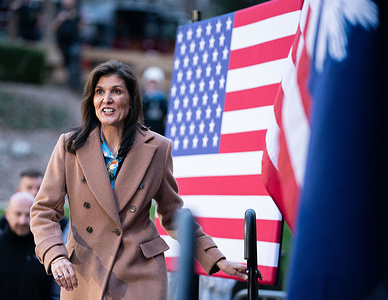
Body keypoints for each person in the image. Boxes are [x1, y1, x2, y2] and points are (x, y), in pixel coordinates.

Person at [30, 60, 252, 299]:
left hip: (140, 273)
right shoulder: (70, 145)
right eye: (99, 92)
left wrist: (217, 259)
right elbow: (43, 211)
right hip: (86, 273)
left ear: (131, 99)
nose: (107, 99)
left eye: (116, 91)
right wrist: (56, 255)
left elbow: (173, 215)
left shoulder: (158, 148)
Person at [0, 192, 59, 300]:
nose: (22, 221)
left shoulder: (47, 249)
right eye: (18, 214)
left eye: (28, 215)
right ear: (7, 214)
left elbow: (57, 294)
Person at [0, 169, 70, 242]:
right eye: (29, 188)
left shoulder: (61, 224)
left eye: (39, 188)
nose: (34, 192)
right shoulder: (1, 225)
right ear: (19, 191)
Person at [52, 0, 82, 90]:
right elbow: (53, 27)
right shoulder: (59, 11)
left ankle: (73, 85)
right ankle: (70, 83)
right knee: (66, 63)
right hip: (62, 44)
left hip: (73, 42)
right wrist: (61, 18)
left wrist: (75, 17)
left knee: (73, 62)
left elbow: (82, 27)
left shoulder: (77, 12)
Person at [141, 66, 168, 135]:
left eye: (155, 84)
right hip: (147, 128)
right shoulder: (144, 98)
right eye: (151, 83)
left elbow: (165, 113)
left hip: (159, 129)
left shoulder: (162, 99)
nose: (153, 86)